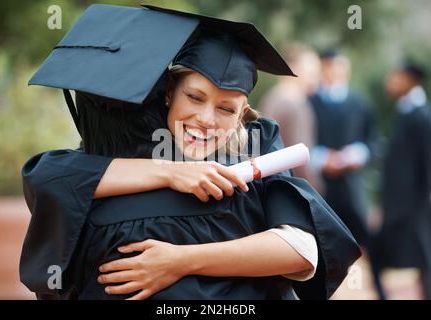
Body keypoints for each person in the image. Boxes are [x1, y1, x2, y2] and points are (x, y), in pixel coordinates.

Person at [20, 4, 360, 300]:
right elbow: (50, 178)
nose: (205, 120)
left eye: (226, 109)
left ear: (243, 114)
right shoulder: (126, 153)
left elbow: (302, 250)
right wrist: (174, 172)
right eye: (194, 98)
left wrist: (179, 261)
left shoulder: (257, 151)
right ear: (169, 92)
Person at [309, 48, 376, 246]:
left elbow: (372, 140)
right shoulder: (309, 103)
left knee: (364, 237)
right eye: (330, 67)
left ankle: (373, 277)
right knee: (323, 238)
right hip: (320, 185)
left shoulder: (360, 103)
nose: (335, 72)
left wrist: (357, 154)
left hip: (353, 185)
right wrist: (321, 158)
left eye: (340, 67)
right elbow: (300, 140)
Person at [377, 62, 431, 299]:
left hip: (414, 205)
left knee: (425, 257)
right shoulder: (404, 112)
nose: (390, 81)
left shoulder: (422, 116)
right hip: (398, 203)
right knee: (381, 254)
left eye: (396, 76)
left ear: (410, 80)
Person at [259, 43, 323, 192]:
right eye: (312, 72)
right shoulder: (294, 103)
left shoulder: (272, 97)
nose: (316, 78)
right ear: (293, 67)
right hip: (292, 188)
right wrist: (316, 190)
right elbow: (300, 156)